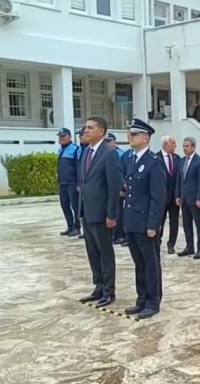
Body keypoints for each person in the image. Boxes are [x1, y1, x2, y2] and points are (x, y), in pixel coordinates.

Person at [121, 119, 166, 319]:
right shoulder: (130, 159)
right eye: (129, 134)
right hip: (132, 221)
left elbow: (158, 197)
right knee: (139, 263)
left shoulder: (154, 162)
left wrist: (153, 225)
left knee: (151, 263)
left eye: (134, 134)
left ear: (145, 138)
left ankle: (153, 301)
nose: (129, 137)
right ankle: (141, 298)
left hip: (146, 223)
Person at [77, 116, 123, 308]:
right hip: (87, 211)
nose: (85, 131)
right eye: (85, 127)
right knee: (92, 252)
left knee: (105, 253)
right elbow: (84, 183)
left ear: (101, 132)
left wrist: (111, 215)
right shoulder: (86, 151)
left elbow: (114, 187)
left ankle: (108, 291)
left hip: (102, 213)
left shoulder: (109, 153)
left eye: (90, 128)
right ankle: (98, 286)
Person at [175, 137, 200, 259]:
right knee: (186, 223)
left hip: (194, 198)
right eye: (183, 146)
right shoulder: (182, 161)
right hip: (184, 198)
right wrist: (178, 195)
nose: (185, 148)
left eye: (187, 146)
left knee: (199, 224)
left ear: (193, 147)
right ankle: (189, 246)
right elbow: (179, 180)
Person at [56, 127, 82, 237]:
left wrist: (79, 183)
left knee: (75, 206)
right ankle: (70, 226)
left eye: (63, 136)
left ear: (69, 136)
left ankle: (77, 227)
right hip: (63, 183)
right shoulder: (60, 150)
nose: (61, 138)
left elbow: (79, 167)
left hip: (72, 183)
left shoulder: (76, 149)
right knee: (65, 205)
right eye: (60, 136)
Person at [159, 135, 181, 254]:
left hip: (174, 197)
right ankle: (158, 241)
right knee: (159, 221)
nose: (175, 145)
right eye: (173, 143)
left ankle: (171, 243)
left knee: (174, 221)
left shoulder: (177, 158)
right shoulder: (156, 158)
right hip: (161, 197)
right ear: (166, 144)